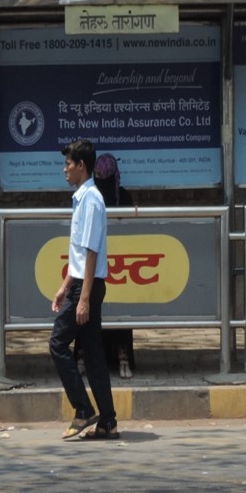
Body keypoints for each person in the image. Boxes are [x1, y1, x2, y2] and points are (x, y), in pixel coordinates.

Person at [51, 139, 118, 440]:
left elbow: (91, 252)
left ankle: (83, 410)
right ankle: (107, 421)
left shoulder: (91, 200)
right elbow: (78, 252)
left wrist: (83, 298)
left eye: (68, 163)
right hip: (81, 284)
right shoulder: (83, 198)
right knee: (92, 355)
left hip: (87, 286)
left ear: (82, 166)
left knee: (57, 343)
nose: (64, 168)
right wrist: (65, 287)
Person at [94, 153, 135, 378]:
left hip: (120, 266)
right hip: (100, 266)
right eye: (97, 175)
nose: (100, 179)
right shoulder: (91, 197)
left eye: (103, 176)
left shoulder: (123, 198)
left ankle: (122, 358)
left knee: (121, 313)